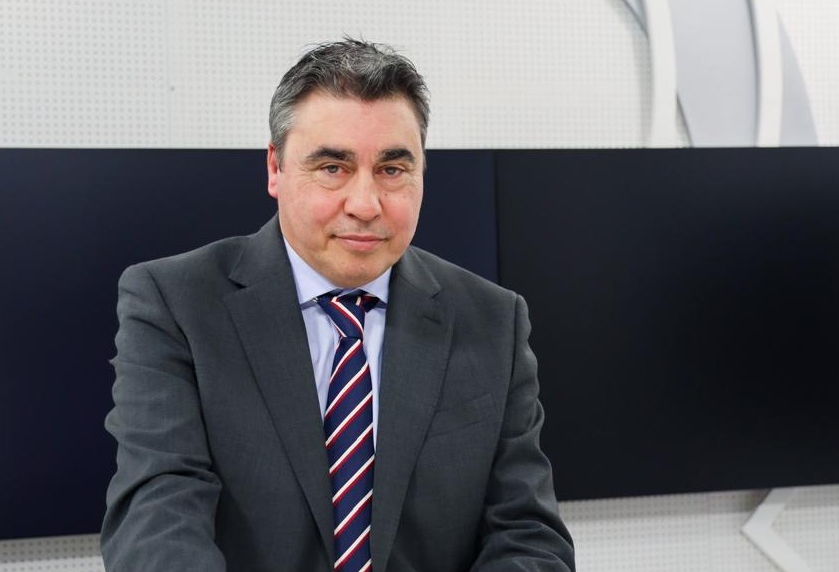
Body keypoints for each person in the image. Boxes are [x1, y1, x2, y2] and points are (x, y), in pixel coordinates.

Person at [101, 38, 575, 572]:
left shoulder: (492, 320)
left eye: (392, 170)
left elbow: (528, 535)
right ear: (276, 168)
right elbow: (156, 520)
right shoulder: (175, 304)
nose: (365, 204)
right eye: (332, 167)